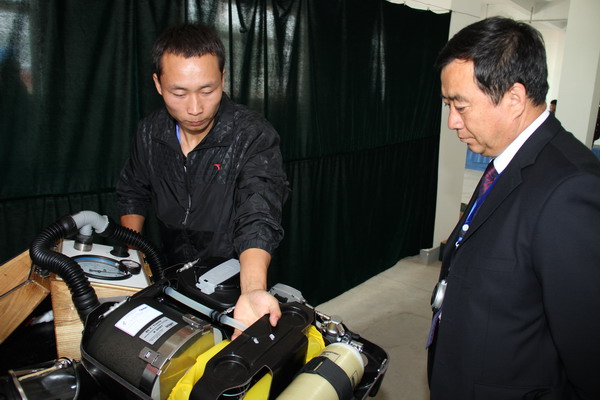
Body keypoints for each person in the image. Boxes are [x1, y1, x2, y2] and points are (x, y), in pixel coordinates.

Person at [428, 17, 600, 399]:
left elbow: (589, 359)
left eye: (460, 105)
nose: (452, 121)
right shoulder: (506, 161)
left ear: (514, 99)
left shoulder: (570, 192)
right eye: (447, 104)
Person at [116, 23, 290, 338]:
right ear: (158, 84)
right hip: (170, 273)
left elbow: (259, 212)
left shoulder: (252, 134)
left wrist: (252, 290)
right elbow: (133, 191)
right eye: (178, 93)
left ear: (223, 78)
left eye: (207, 91)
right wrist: (133, 259)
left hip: (233, 281)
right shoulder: (149, 131)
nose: (195, 109)